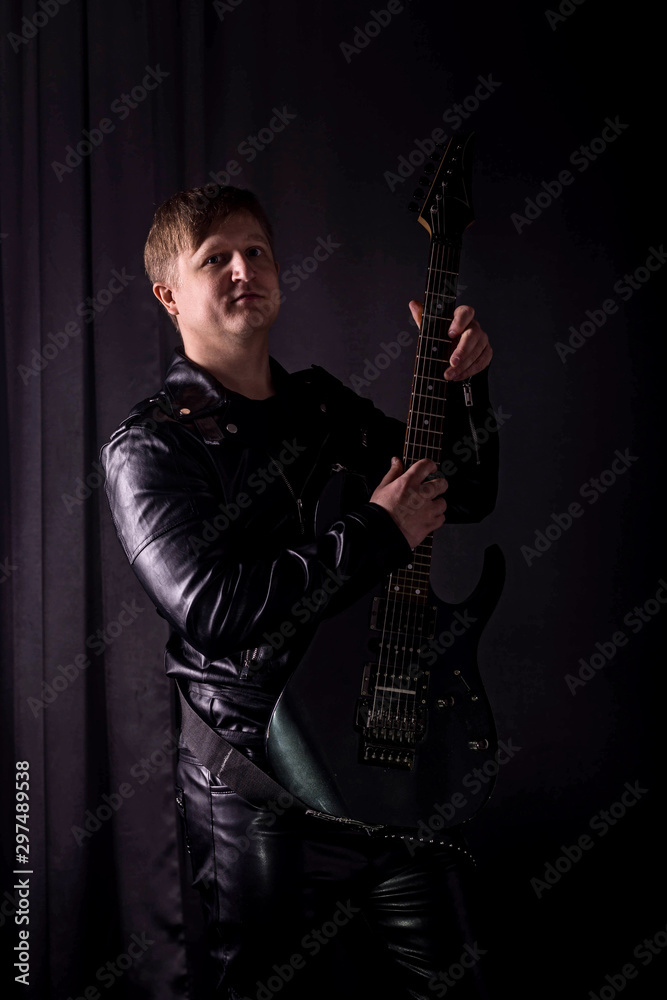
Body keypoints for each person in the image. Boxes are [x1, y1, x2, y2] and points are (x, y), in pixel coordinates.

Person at [100, 185, 499, 1000]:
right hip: (260, 797)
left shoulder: (319, 405)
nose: (245, 268)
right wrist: (378, 531)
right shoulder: (150, 447)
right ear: (169, 294)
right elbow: (213, 611)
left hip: (387, 764)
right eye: (216, 257)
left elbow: (465, 492)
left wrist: (464, 388)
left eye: (258, 251)